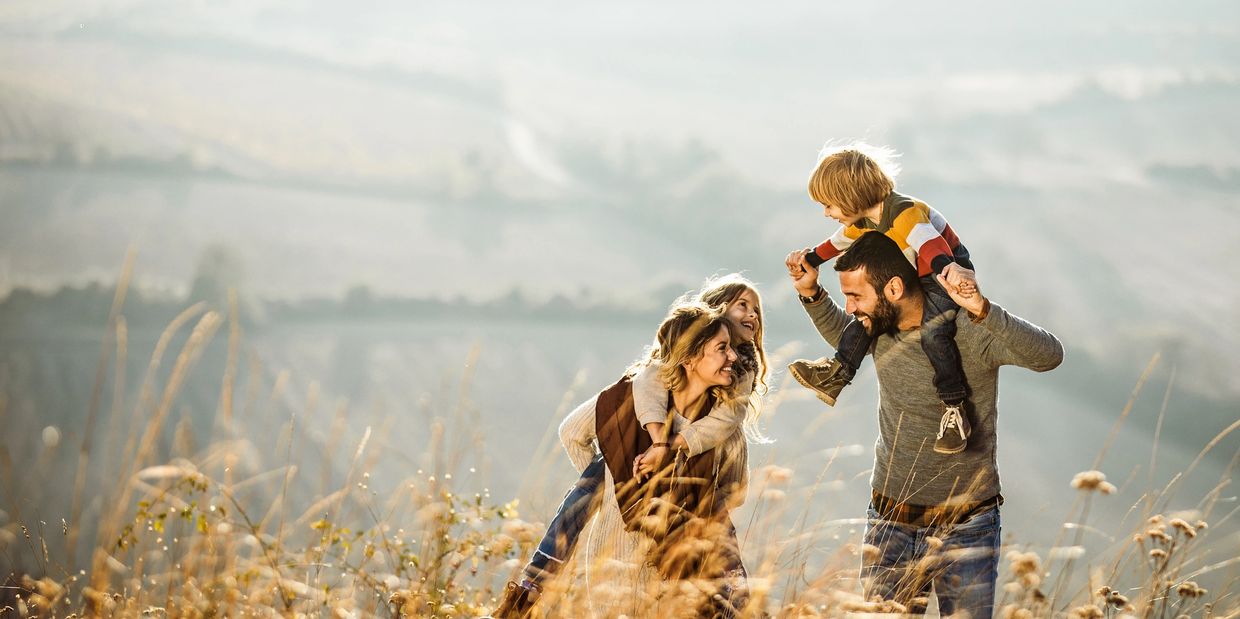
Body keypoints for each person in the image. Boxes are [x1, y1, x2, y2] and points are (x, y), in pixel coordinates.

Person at [786, 232, 1062, 618]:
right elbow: (841, 333)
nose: (849, 308)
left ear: (895, 288)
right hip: (890, 521)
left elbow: (1049, 355)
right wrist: (811, 293)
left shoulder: (969, 332)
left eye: (855, 296)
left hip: (968, 525)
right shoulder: (877, 329)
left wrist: (983, 309)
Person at [487, 276, 768, 619]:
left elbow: (733, 488)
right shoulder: (631, 397)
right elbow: (573, 432)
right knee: (592, 482)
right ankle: (532, 585)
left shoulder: (725, 424)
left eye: (731, 349)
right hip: (617, 555)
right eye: (721, 348)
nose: (731, 358)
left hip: (673, 565)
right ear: (690, 355)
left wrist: (674, 504)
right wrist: (619, 484)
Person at [785, 143, 979, 455]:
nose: (826, 213)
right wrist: (809, 260)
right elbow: (834, 245)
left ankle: (954, 408)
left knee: (934, 332)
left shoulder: (904, 214)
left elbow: (932, 248)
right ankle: (837, 373)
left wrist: (953, 273)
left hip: (944, 274)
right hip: (911, 274)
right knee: (869, 314)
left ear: (850, 196)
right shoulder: (863, 222)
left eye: (829, 205)